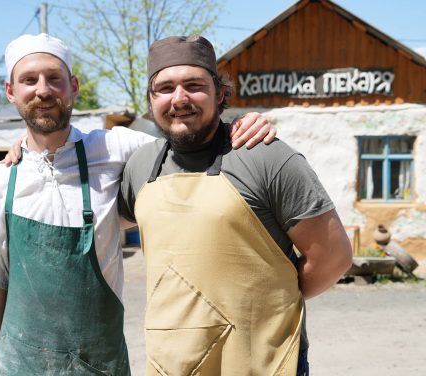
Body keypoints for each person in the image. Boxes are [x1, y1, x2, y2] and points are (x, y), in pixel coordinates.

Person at [0, 33, 275, 375]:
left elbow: (187, 137)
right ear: (11, 92)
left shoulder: (115, 149)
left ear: (74, 86)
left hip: (100, 365)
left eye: (54, 79)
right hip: (21, 367)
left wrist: (238, 125)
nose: (43, 90)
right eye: (29, 81)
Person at [118, 35, 353, 375]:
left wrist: (270, 305)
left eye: (194, 85)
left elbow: (334, 256)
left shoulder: (266, 156)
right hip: (173, 364)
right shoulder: (140, 166)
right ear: (151, 99)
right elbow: (106, 220)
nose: (179, 98)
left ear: (220, 92)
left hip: (262, 362)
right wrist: (31, 145)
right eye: (165, 88)